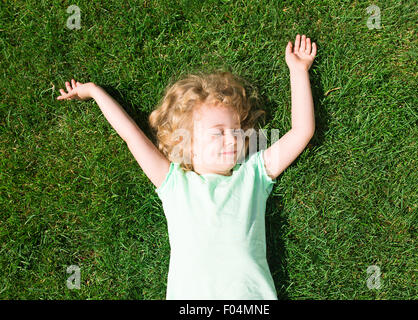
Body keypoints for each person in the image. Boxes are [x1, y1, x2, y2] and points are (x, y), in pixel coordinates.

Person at [56, 34, 317, 299]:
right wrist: (95, 92)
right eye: (218, 133)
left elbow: (301, 132)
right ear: (187, 142)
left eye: (236, 130)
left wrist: (298, 72)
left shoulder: (254, 176)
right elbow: (130, 135)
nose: (233, 139)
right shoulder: (174, 184)